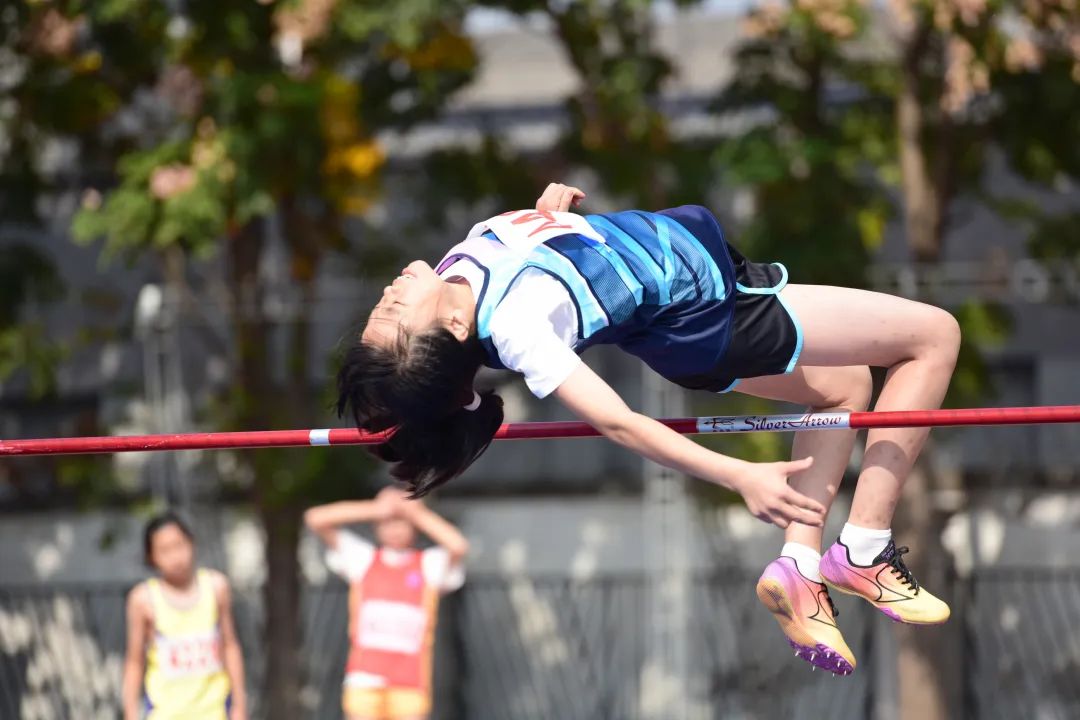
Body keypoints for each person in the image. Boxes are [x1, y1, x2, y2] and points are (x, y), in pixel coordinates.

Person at [335, 182, 960, 675]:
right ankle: (865, 548)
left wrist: (551, 217)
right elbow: (619, 421)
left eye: (381, 307)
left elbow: (545, 265)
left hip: (696, 283)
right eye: (392, 312)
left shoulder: (455, 275)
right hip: (709, 312)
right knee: (932, 337)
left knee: (844, 386)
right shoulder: (520, 325)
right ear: (450, 331)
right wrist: (736, 472)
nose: (388, 292)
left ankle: (801, 565)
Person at [305, 486, 468, 720]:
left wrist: (415, 511)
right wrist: (375, 509)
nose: (394, 528)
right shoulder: (364, 559)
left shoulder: (428, 565)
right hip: (364, 679)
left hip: (410, 681)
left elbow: (458, 545)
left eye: (400, 522)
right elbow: (315, 519)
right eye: (387, 522)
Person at [122, 511, 247, 719]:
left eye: (179, 545)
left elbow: (230, 646)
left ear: (192, 543)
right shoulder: (143, 599)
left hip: (213, 712)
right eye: (164, 550)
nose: (175, 557)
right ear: (151, 556)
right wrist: (130, 713)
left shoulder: (216, 587)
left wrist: (239, 706)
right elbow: (135, 661)